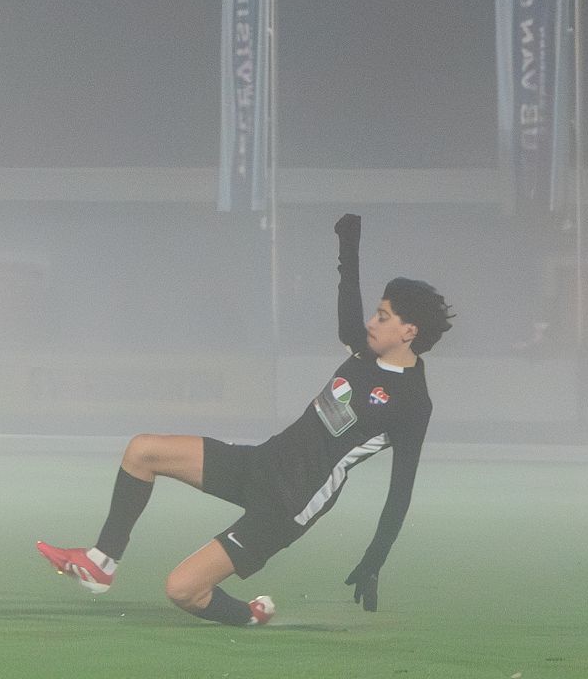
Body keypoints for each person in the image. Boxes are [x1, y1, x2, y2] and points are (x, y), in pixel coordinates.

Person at [36, 213, 453, 626]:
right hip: (262, 463)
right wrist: (348, 245)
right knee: (142, 451)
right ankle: (101, 562)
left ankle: (251, 615)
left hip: (289, 504)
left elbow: (400, 492)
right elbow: (348, 304)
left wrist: (374, 560)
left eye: (383, 316)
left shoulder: (413, 402)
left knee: (182, 590)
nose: (371, 322)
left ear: (409, 331)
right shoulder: (364, 353)